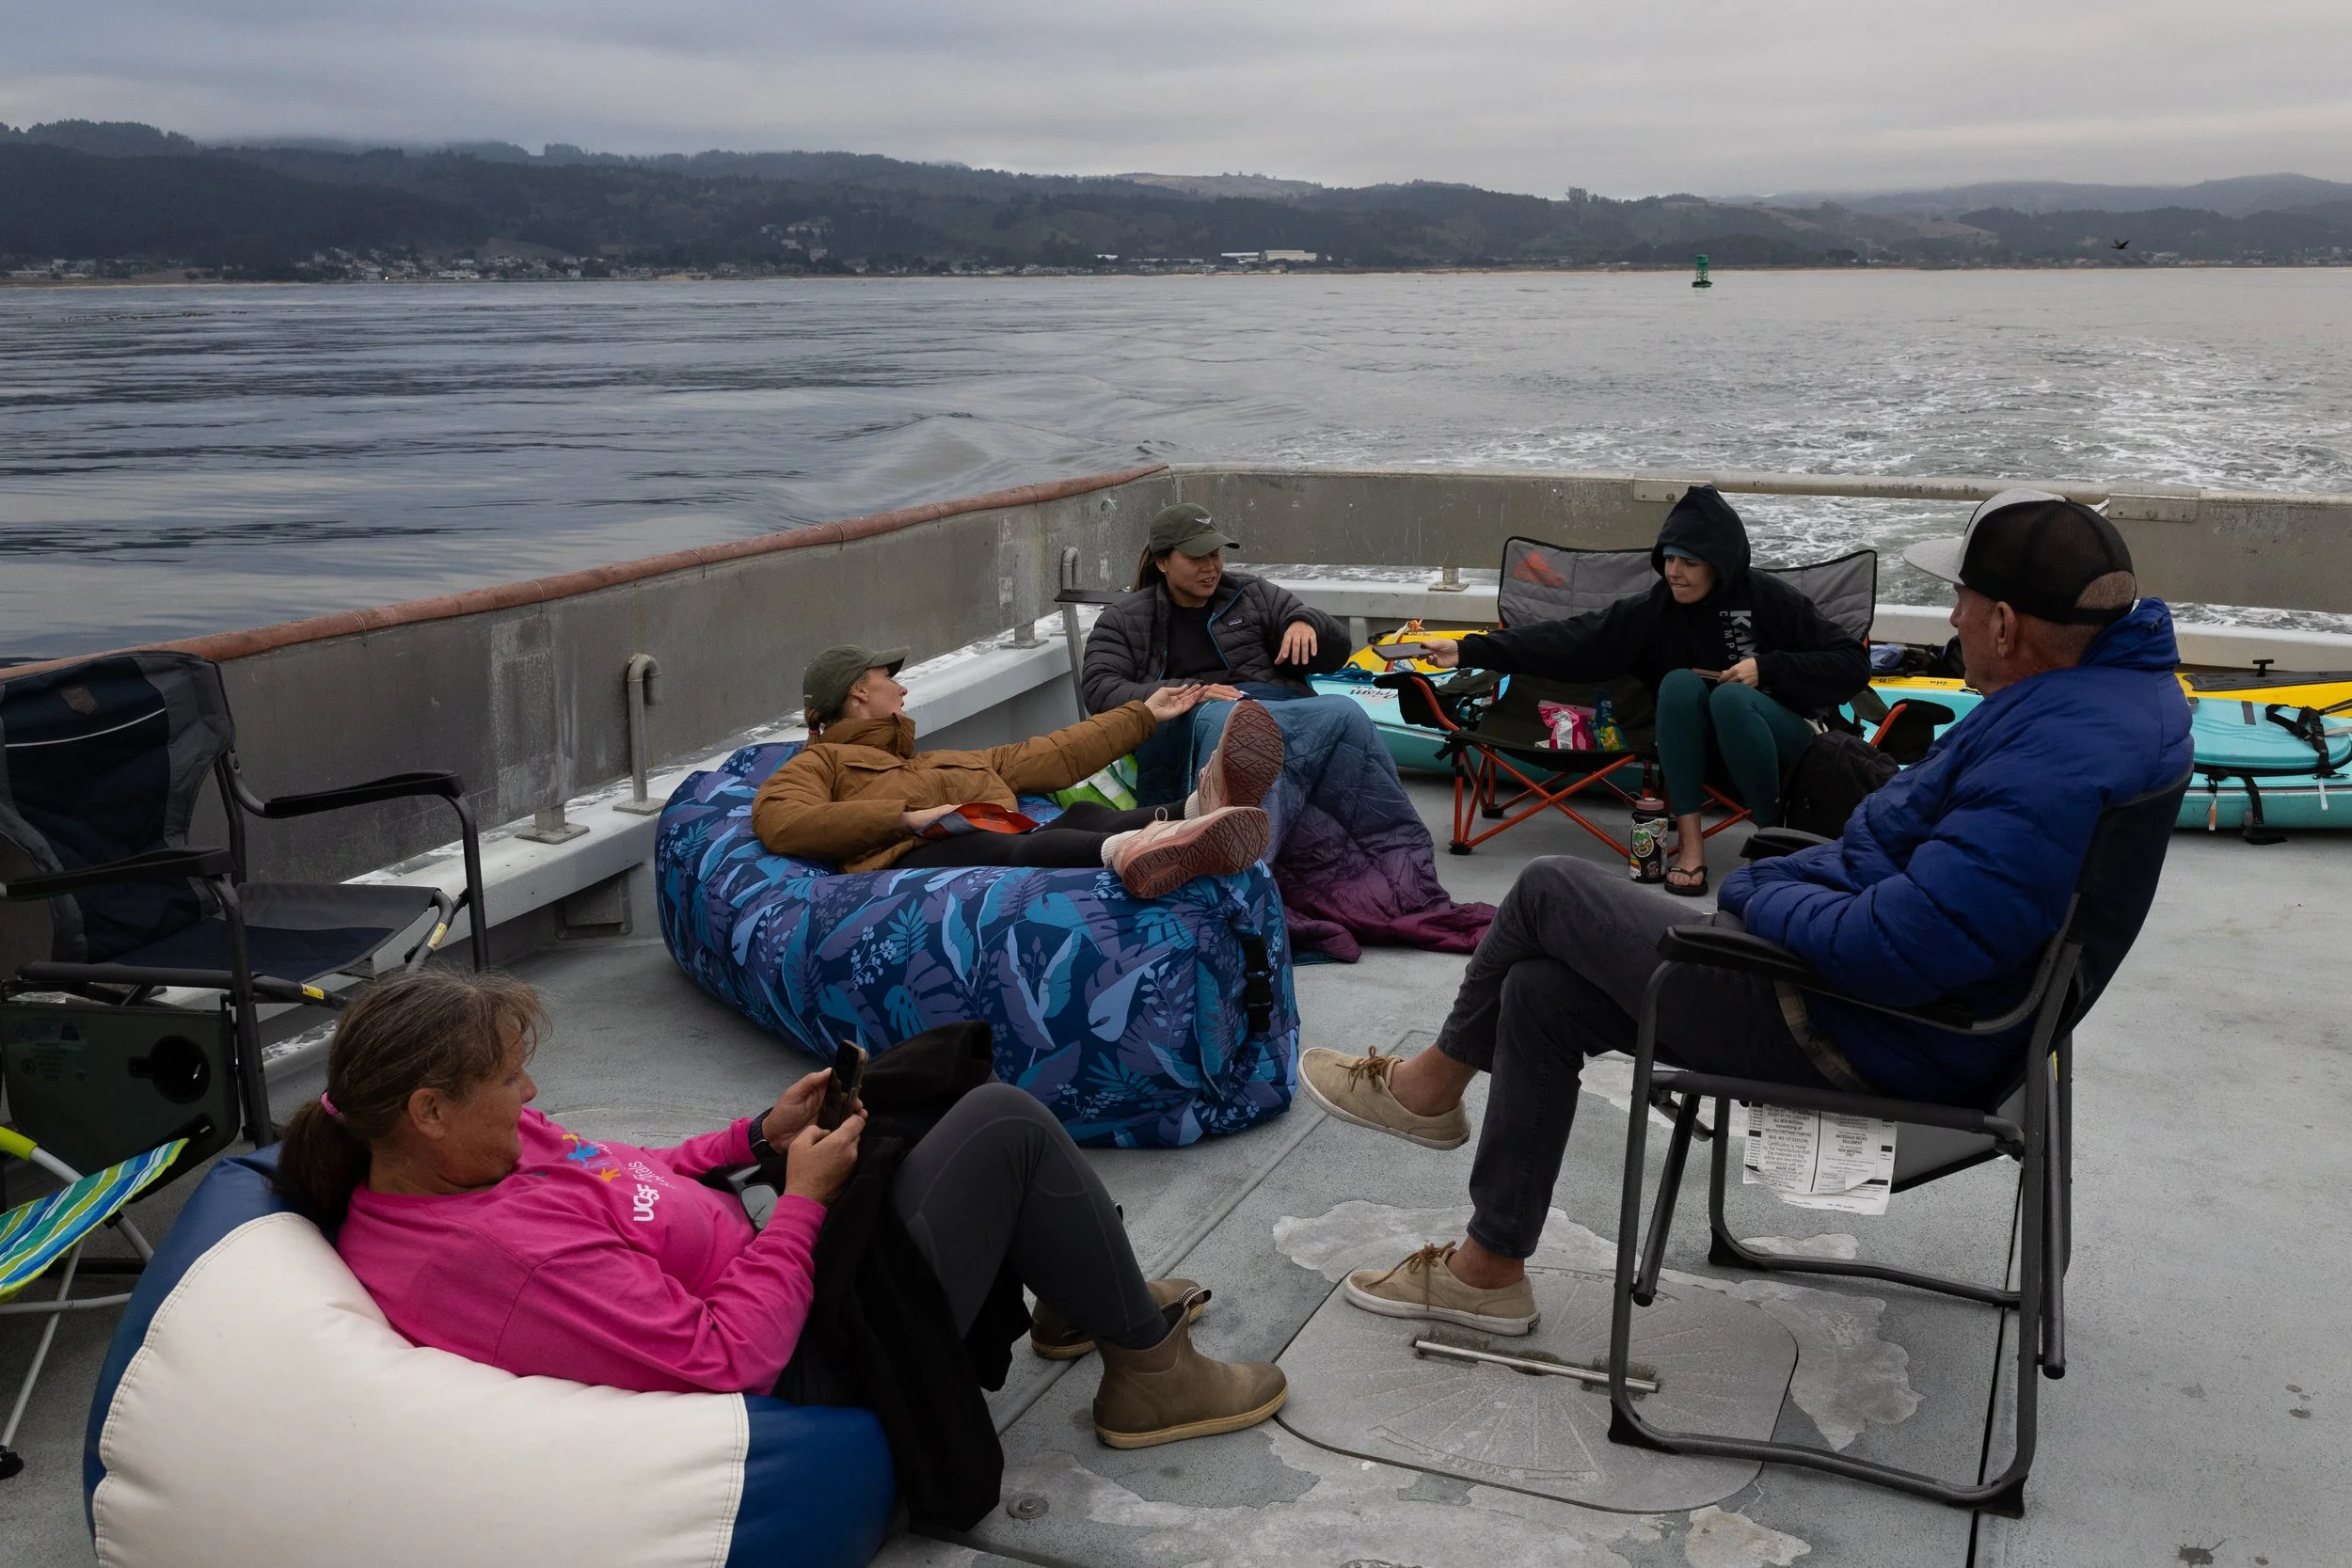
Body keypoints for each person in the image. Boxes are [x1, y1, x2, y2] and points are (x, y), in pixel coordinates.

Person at [1299, 492, 2190, 1334]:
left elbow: (1904, 942)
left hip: (1865, 1031)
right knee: (1538, 990)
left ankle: (1426, 1090)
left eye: (1960, 600)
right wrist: (1807, 878)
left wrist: (1766, 893)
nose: (1952, 619)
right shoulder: (2103, 705)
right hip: (1921, 1015)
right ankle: (1488, 1270)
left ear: (2005, 620)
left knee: (1546, 891)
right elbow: (1929, 892)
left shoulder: (2051, 761)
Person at [273, 970, 1288, 1459]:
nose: (533, 1094)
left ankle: (1079, 1289)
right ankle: (1149, 1378)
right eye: (508, 1077)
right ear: (427, 1109)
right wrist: (802, 1201)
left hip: (778, 1266)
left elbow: (631, 1170)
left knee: (920, 1075)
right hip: (812, 1353)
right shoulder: (497, 1256)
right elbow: (726, 1359)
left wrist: (757, 1135)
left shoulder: (473, 1152)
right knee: (1003, 1122)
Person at [1417, 485, 1869, 895]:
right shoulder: (1656, 611)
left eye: (1689, 563)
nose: (1674, 572)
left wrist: (1766, 667)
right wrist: (1466, 650)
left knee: (1731, 696)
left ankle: (1772, 840)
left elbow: (1852, 663)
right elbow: (1571, 638)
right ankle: (1690, 847)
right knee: (1677, 684)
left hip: (1786, 742)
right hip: (1699, 750)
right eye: (1670, 559)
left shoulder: (1768, 597)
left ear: (1720, 566)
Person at [752, 642, 1286, 898]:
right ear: (858, 692)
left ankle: (1196, 811)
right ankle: (1133, 852)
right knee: (1004, 846)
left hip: (981, 829)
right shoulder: (819, 762)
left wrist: (1144, 714)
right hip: (916, 857)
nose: (903, 687)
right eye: (888, 678)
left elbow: (1047, 754)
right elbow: (781, 820)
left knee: (1079, 810)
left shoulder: (928, 759)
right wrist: (908, 820)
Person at [1081, 502, 1350, 807]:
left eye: (1215, 554)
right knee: (1235, 723)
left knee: (1346, 712)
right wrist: (1192, 693)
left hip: (1270, 705)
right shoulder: (1124, 619)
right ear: (1162, 562)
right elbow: (1099, 688)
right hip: (1196, 721)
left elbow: (1335, 654)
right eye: (1196, 557)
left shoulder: (1251, 593)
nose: (1210, 567)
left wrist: (1307, 622)